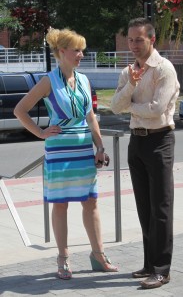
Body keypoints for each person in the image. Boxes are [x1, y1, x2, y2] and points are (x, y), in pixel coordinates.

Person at [14, 28, 118, 280]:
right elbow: (20, 110)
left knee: (91, 202)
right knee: (60, 205)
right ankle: (63, 258)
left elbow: (91, 117)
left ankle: (98, 255)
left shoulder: (83, 79)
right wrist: (40, 133)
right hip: (59, 151)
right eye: (77, 50)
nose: (81, 54)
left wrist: (100, 147)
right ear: (61, 52)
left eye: (82, 49)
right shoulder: (48, 81)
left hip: (83, 150)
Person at [111, 18, 180, 289]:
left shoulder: (165, 69)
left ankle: (162, 269)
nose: (133, 45)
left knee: (161, 208)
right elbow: (116, 106)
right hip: (136, 142)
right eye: (130, 39)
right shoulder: (128, 72)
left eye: (139, 39)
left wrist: (130, 105)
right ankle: (150, 264)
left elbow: (156, 109)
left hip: (160, 140)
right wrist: (130, 88)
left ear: (152, 39)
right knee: (144, 207)